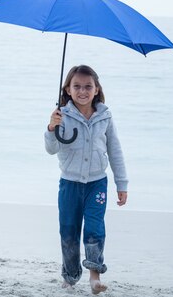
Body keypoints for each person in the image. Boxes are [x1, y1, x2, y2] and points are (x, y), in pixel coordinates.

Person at [45, 65, 128, 294]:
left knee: (95, 228)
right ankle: (70, 277)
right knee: (69, 231)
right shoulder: (62, 115)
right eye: (77, 86)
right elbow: (51, 149)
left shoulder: (105, 116)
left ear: (97, 89)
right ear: (68, 90)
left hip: (97, 183)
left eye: (88, 86)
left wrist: (122, 184)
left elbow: (115, 151)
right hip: (70, 184)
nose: (83, 91)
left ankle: (94, 276)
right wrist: (52, 127)